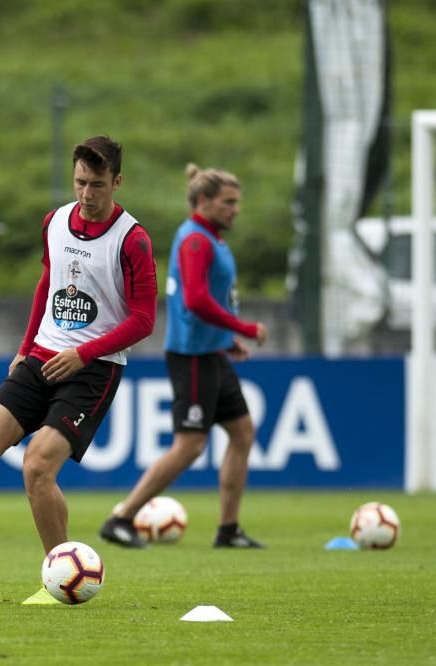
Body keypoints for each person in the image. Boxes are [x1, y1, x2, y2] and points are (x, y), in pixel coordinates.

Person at [0, 136, 158, 604]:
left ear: (117, 182)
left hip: (93, 368)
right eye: (80, 182)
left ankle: (62, 577)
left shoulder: (133, 241)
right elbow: (48, 281)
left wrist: (84, 354)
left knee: (37, 464)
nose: (86, 194)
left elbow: (144, 320)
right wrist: (25, 347)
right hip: (42, 355)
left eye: (98, 185)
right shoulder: (56, 222)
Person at [99, 163, 268, 550]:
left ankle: (228, 530)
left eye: (236, 202)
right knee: (190, 445)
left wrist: (225, 339)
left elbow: (204, 300)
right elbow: (194, 301)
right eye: (228, 202)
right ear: (204, 200)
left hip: (211, 353)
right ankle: (121, 517)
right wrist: (243, 328)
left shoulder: (210, 238)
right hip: (192, 356)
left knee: (242, 432)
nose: (235, 209)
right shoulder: (195, 240)